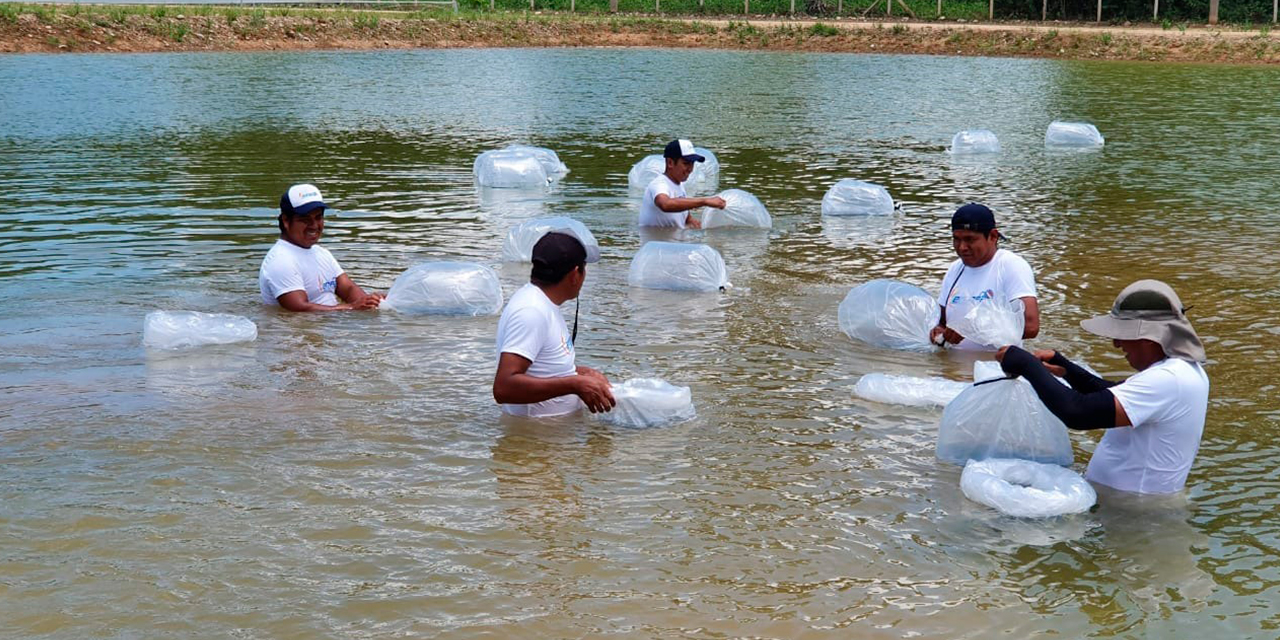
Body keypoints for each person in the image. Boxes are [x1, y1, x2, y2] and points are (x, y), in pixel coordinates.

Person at [995, 279, 1209, 495]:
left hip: (1132, 511)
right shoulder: (1182, 371)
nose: (1117, 343)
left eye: (1123, 334)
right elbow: (1113, 396)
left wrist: (1025, 363)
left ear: (1149, 338)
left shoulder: (1169, 378)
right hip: (1129, 504)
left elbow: (1078, 413)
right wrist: (1067, 369)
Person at [493, 230, 615, 418]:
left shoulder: (544, 304)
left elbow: (542, 368)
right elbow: (504, 387)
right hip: (536, 438)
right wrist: (575, 384)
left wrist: (580, 373)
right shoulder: (531, 312)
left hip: (555, 436)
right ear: (576, 274)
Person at [930, 203, 1040, 350]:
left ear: (993, 236)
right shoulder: (955, 269)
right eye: (957, 239)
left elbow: (1030, 327)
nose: (962, 247)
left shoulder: (1011, 266)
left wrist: (970, 329)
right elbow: (942, 323)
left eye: (970, 239)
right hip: (954, 368)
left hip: (996, 368)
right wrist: (937, 330)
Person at [259, 184, 383, 312]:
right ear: (286, 221)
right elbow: (299, 309)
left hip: (329, 325)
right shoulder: (281, 260)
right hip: (298, 331)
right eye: (305, 219)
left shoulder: (322, 253)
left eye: (318, 218)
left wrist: (371, 302)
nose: (314, 226)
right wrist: (352, 307)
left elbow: (348, 288)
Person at [638, 139, 726, 229]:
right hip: (657, 243)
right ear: (670, 163)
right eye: (686, 163)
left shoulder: (679, 186)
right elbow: (665, 204)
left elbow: (687, 219)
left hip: (674, 241)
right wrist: (704, 201)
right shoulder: (659, 184)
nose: (690, 169)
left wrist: (695, 223)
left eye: (692, 164)